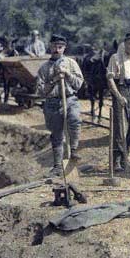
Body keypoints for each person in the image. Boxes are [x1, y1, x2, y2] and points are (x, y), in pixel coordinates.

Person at [36, 35, 84, 177]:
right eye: (54, 47)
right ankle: (57, 166)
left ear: (64, 48)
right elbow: (41, 90)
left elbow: (79, 84)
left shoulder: (71, 63)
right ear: (50, 47)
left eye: (60, 47)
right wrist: (55, 79)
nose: (57, 50)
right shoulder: (44, 68)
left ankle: (74, 151)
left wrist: (67, 74)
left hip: (70, 100)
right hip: (52, 103)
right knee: (56, 134)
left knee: (75, 120)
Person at [106, 28, 130, 171]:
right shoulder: (115, 58)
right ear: (124, 44)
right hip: (122, 91)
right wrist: (118, 97)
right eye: (129, 44)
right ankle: (116, 161)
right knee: (120, 129)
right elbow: (110, 80)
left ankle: (125, 159)